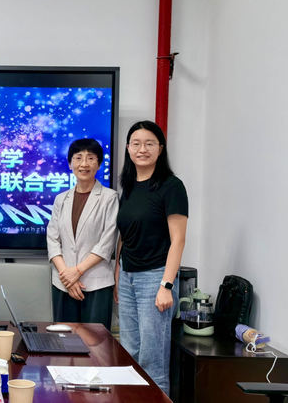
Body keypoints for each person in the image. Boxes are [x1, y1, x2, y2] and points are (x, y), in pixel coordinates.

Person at [115, 120, 188, 395]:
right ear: (128, 148)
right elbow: (125, 235)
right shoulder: (129, 186)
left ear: (160, 148)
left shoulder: (172, 186)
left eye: (149, 144)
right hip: (128, 277)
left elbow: (178, 240)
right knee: (129, 353)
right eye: (136, 143)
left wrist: (166, 285)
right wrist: (118, 273)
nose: (142, 149)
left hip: (155, 277)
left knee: (152, 359)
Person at [46, 138, 118, 330]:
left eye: (90, 158)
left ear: (99, 164)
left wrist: (76, 272)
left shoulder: (109, 198)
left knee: (96, 341)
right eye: (78, 158)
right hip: (63, 284)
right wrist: (67, 276)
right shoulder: (61, 199)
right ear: (70, 164)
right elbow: (52, 239)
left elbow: (107, 242)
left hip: (96, 283)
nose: (84, 164)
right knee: (64, 340)